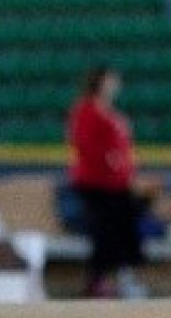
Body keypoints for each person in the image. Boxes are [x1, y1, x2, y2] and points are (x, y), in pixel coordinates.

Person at [65, 64, 151, 297]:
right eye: (110, 80)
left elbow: (122, 147)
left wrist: (127, 169)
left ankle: (124, 276)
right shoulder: (86, 110)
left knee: (126, 227)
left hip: (117, 183)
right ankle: (99, 281)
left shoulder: (112, 113)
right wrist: (109, 160)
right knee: (103, 231)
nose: (115, 84)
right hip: (96, 182)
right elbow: (84, 143)